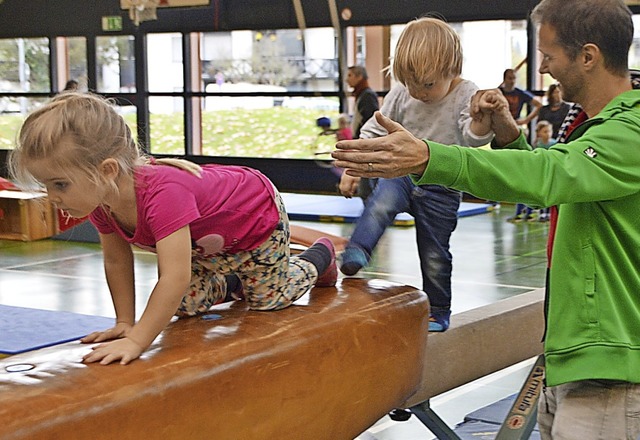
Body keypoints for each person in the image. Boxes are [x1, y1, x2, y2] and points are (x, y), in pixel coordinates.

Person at [331, 0, 640, 437]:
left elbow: (550, 176)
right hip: (572, 356)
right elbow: (552, 177)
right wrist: (508, 132)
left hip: (615, 369)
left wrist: (427, 156)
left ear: (587, 56)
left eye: (549, 56)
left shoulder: (631, 131)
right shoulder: (594, 128)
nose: (546, 69)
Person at [9, 92, 338, 366]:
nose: (52, 198)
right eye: (46, 185)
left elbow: (174, 276)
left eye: (60, 184)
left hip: (255, 220)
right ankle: (237, 280)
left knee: (268, 299)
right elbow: (116, 261)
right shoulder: (103, 202)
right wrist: (125, 323)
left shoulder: (162, 195)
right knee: (184, 305)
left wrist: (139, 341)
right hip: (208, 247)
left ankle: (317, 258)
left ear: (107, 170)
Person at [338, 16, 494, 332]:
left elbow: (474, 138)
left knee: (435, 252)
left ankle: (438, 309)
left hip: (443, 183)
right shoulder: (401, 92)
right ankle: (359, 246)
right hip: (403, 173)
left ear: (453, 70)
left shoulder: (465, 93)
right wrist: (353, 168)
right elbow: (373, 128)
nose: (418, 93)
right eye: (410, 84)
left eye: (427, 85)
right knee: (380, 204)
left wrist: (480, 121)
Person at [344, 65, 380, 201]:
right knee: (366, 189)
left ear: (359, 77)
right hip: (363, 147)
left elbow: (371, 123)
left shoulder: (367, 96)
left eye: (350, 76)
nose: (347, 80)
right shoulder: (361, 95)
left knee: (367, 190)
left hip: (366, 149)